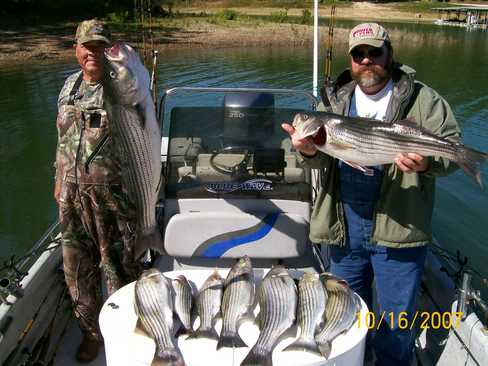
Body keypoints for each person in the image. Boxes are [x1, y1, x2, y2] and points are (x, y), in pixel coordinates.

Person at [282, 23, 460, 366]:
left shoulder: (424, 99)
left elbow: (448, 150)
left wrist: (426, 163)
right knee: (346, 315)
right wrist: (306, 151)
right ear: (351, 59)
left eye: (374, 53)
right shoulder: (333, 100)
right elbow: (317, 160)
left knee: (395, 325)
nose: (366, 61)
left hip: (401, 225)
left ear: (389, 55)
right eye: (358, 54)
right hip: (343, 225)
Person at [54, 19, 140, 362]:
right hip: (72, 199)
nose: (94, 53)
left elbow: (140, 125)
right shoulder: (68, 86)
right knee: (77, 271)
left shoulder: (122, 86)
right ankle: (92, 333)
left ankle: (126, 333)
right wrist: (57, 178)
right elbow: (60, 138)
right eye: (88, 46)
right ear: (76, 49)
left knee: (120, 270)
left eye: (101, 46)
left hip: (114, 198)